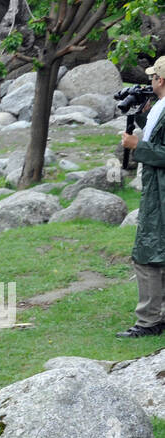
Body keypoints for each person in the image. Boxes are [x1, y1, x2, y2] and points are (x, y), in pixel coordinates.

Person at [117, 56, 165, 338]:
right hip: (155, 188)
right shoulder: (159, 105)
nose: (149, 81)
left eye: (152, 77)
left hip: (160, 191)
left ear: (160, 79)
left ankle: (148, 321)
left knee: (146, 254)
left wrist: (138, 146)